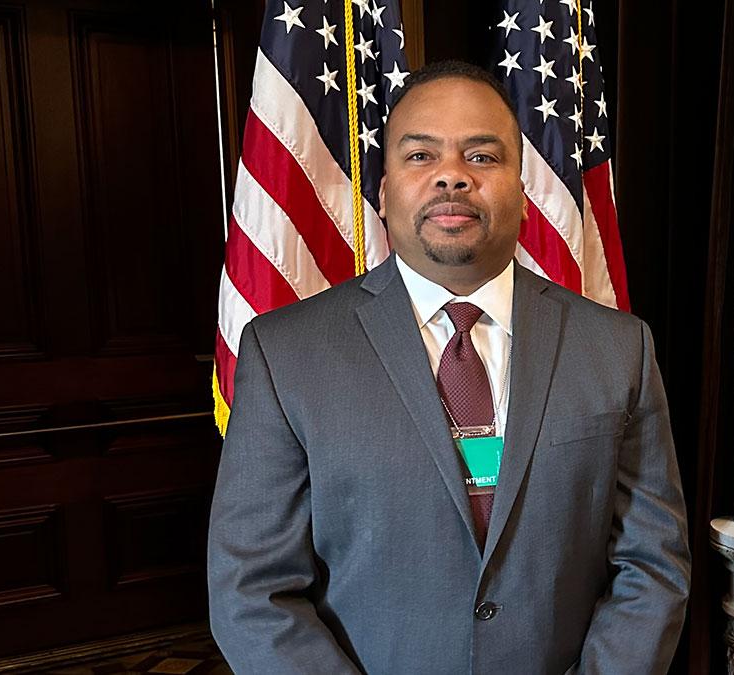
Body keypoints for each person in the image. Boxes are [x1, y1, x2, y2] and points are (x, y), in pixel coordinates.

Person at [207, 60, 690, 674]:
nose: (452, 178)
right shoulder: (285, 354)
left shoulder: (619, 347)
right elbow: (251, 589)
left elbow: (652, 563)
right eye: (420, 157)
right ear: (383, 191)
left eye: (482, 157)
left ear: (523, 188)